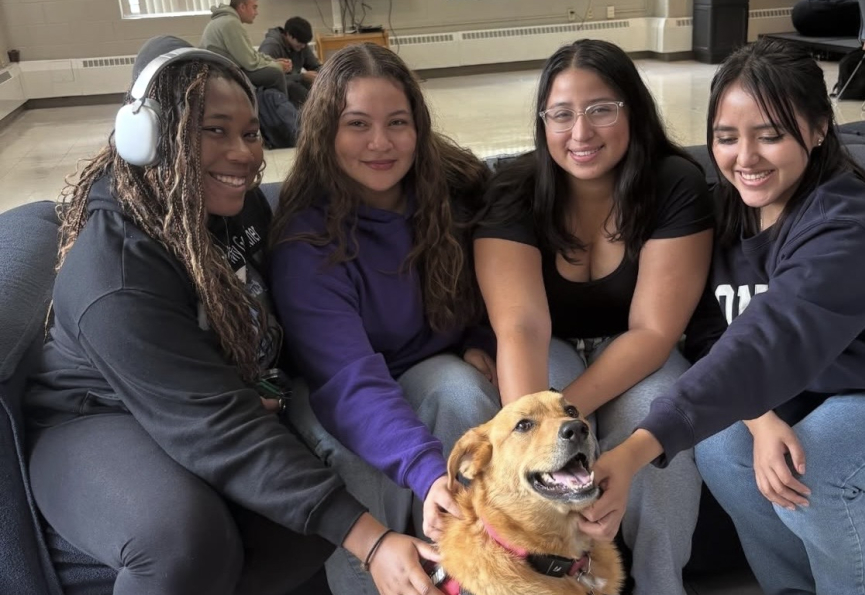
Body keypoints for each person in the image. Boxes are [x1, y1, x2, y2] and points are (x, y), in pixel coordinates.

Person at [25, 35, 443, 595]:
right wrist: (371, 540)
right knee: (184, 540)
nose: (244, 154)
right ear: (150, 136)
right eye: (214, 130)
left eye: (250, 133)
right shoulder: (115, 273)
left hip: (210, 395)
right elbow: (216, 425)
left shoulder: (235, 203)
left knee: (296, 529)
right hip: (96, 415)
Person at [582, 38, 865, 595]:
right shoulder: (725, 210)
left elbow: (767, 341)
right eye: (726, 138)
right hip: (811, 392)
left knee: (810, 467)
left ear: (818, 129)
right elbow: (714, 332)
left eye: (770, 135)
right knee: (724, 447)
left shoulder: (846, 226)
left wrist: (633, 452)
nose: (745, 158)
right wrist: (759, 416)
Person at [473, 39, 714, 595]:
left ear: (633, 107)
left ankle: (661, 584)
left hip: (638, 349)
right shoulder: (512, 188)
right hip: (547, 344)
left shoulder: (675, 183)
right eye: (561, 114)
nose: (580, 133)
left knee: (660, 415)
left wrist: (568, 424)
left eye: (601, 108)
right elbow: (522, 328)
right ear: (543, 122)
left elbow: (654, 332)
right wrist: (542, 441)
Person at [268, 42, 500, 594]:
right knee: (354, 459)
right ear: (326, 133)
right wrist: (425, 471)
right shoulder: (307, 240)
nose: (380, 142)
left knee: (463, 395)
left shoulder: (454, 195)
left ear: (418, 129)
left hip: (425, 365)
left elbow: (501, 283)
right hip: (339, 384)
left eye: (397, 122)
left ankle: (474, 577)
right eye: (357, 124)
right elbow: (348, 379)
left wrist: (479, 336)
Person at [200, 0, 293, 96]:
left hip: (222, 70)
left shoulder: (225, 20)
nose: (257, 13)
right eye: (254, 7)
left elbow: (251, 54)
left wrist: (273, 61)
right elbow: (250, 63)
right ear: (242, 7)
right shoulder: (231, 23)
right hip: (224, 74)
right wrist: (278, 66)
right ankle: (282, 109)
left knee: (273, 71)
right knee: (275, 74)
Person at [259, 16, 321, 107]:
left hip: (294, 84)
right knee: (292, 86)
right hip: (273, 91)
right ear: (288, 35)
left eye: (305, 44)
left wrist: (323, 75)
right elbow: (266, 77)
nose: (303, 47)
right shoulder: (271, 46)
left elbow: (315, 66)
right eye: (300, 43)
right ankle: (314, 109)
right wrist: (301, 77)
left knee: (314, 82)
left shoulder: (301, 44)